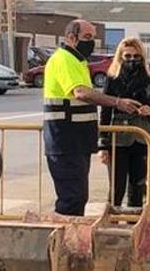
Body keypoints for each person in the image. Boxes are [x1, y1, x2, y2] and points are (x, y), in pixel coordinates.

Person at [43, 19, 141, 216]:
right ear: (71, 37)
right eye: (87, 37)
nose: (92, 42)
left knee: (77, 197)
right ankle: (64, 241)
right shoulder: (64, 59)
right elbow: (81, 93)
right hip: (65, 140)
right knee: (72, 199)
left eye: (93, 37)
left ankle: (68, 239)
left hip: (76, 141)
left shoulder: (77, 61)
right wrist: (118, 102)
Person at [99, 37, 150, 208]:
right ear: (120, 57)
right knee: (116, 187)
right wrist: (103, 145)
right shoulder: (112, 79)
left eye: (136, 56)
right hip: (118, 137)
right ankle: (112, 222)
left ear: (142, 57)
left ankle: (134, 224)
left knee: (138, 186)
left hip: (142, 136)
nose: (132, 60)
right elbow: (105, 112)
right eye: (127, 56)